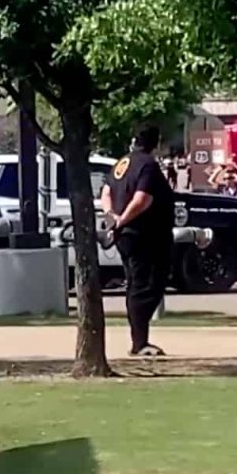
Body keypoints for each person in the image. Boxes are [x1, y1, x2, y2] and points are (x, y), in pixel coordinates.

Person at [100, 123, 175, 356]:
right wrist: (121, 220)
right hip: (145, 235)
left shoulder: (122, 163)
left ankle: (140, 339)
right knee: (146, 286)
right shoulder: (148, 165)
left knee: (137, 284)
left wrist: (111, 216)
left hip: (128, 235)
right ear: (156, 143)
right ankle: (139, 342)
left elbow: (106, 192)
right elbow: (142, 199)